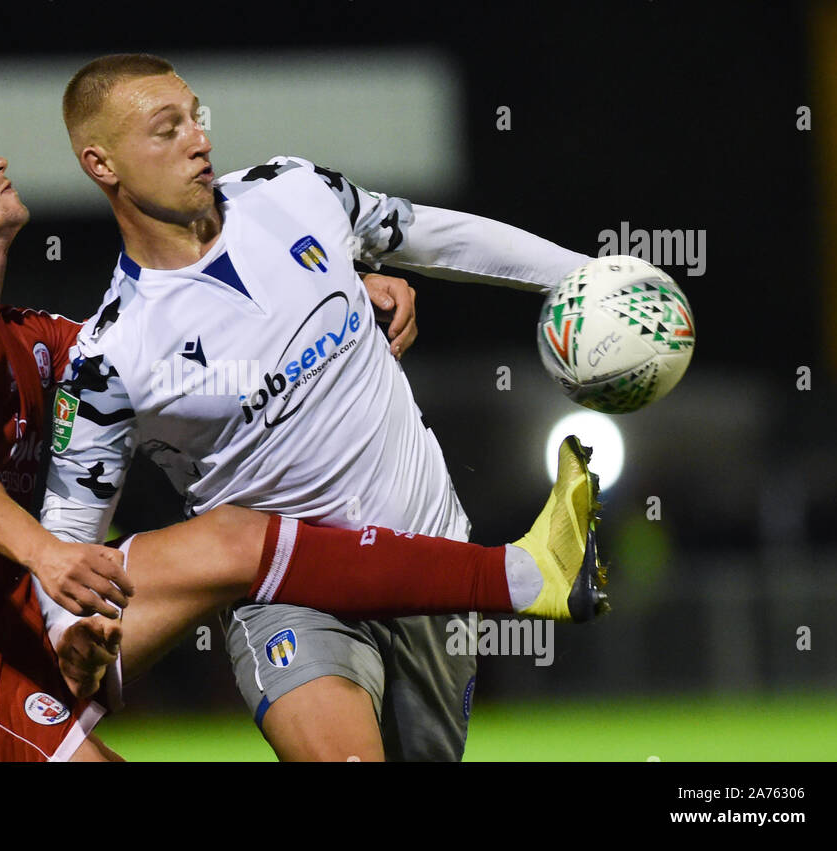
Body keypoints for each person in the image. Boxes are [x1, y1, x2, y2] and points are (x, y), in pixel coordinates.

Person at [0, 90, 600, 763]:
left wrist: (333, 280)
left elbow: (159, 341)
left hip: (7, 610)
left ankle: (522, 575)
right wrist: (48, 553)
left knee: (232, 538)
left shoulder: (18, 332)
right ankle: (519, 577)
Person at [40, 54, 605, 762]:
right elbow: (63, 540)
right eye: (167, 129)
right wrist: (71, 632)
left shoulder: (293, 191)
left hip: (435, 566)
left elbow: (435, 234)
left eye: (195, 115)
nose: (199, 138)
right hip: (294, 601)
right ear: (103, 164)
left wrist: (585, 275)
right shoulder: (109, 357)